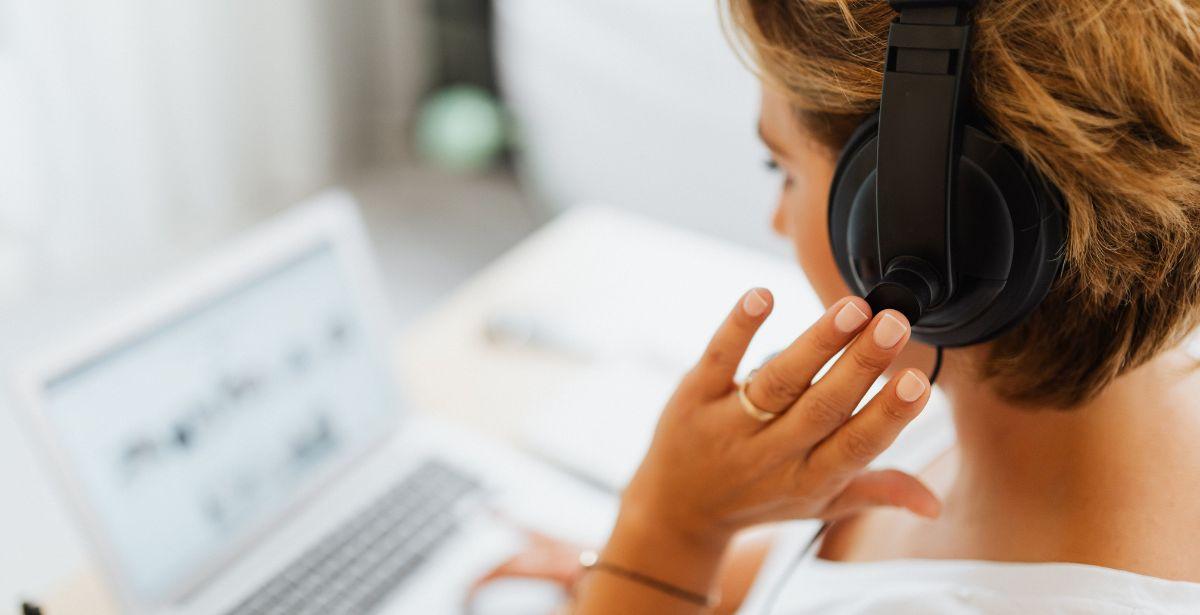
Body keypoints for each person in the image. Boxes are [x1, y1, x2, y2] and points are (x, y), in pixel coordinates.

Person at [476, 0, 1200, 612]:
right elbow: (836, 574)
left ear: (930, 223)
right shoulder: (1014, 404)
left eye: (782, 170)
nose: (777, 219)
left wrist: (668, 531)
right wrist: (624, 563)